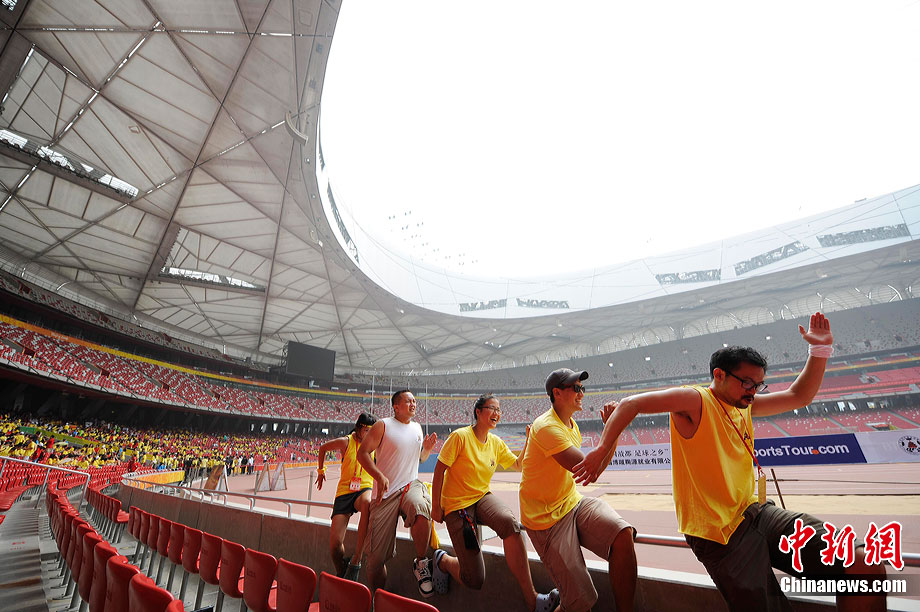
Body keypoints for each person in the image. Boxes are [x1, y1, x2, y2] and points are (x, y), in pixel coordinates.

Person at [574, 312, 886, 612]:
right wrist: (602, 449)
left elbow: (798, 396)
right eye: (747, 383)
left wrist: (819, 350)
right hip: (719, 534)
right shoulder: (695, 401)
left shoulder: (744, 404)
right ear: (719, 375)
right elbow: (631, 403)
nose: (753, 392)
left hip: (758, 513)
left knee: (862, 562)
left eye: (758, 384)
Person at [520, 369, 637, 612]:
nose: (581, 393)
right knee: (581, 602)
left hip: (572, 502)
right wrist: (613, 427)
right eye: (576, 388)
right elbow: (590, 472)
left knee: (622, 535)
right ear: (557, 393)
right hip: (546, 521)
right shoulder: (546, 427)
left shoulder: (571, 426)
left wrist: (613, 428)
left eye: (582, 388)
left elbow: (593, 470)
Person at [432, 394, 560, 612]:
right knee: (474, 579)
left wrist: (529, 440)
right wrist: (436, 507)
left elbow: (518, 465)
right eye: (492, 408)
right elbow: (439, 470)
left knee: (510, 524)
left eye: (499, 410)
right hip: (457, 505)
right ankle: (442, 560)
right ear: (478, 412)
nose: (497, 413)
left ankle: (532, 598)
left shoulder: (496, 442)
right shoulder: (460, 437)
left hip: (482, 497)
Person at [356, 390, 452, 597]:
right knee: (374, 561)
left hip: (410, 485)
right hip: (385, 493)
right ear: (396, 406)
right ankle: (378, 597)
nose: (413, 404)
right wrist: (379, 476)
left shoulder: (417, 428)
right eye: (408, 401)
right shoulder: (383, 425)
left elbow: (419, 460)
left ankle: (421, 563)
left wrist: (426, 450)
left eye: (414, 401)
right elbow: (362, 453)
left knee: (421, 506)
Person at [316, 412, 378, 579]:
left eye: (372, 432)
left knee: (367, 503)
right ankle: (341, 570)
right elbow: (323, 448)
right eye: (367, 431)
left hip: (364, 488)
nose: (369, 435)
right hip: (344, 492)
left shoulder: (374, 446)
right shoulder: (346, 442)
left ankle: (357, 559)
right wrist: (321, 471)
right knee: (335, 546)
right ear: (359, 428)